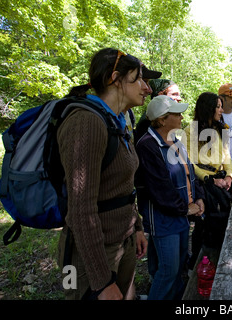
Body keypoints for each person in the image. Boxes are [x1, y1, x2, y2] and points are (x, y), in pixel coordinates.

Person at [57, 48, 160, 300]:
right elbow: (80, 210)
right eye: (139, 79)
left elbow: (123, 186)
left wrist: (135, 227)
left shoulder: (119, 122)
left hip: (121, 244)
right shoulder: (86, 123)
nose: (147, 88)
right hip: (89, 255)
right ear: (115, 79)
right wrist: (102, 282)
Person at [135, 95, 205, 300]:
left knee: (179, 266)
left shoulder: (175, 140)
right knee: (168, 271)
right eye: (177, 114)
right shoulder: (148, 145)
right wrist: (186, 208)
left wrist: (199, 198)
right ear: (162, 119)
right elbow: (159, 188)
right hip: (164, 219)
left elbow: (189, 172)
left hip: (180, 214)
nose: (182, 117)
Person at [184, 92, 232, 268]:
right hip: (203, 183)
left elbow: (226, 155)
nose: (221, 110)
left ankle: (219, 261)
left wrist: (229, 175)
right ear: (208, 108)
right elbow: (189, 163)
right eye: (218, 107)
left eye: (221, 106)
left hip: (220, 181)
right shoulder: (190, 131)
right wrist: (209, 179)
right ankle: (196, 266)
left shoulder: (223, 128)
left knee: (222, 220)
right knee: (204, 226)